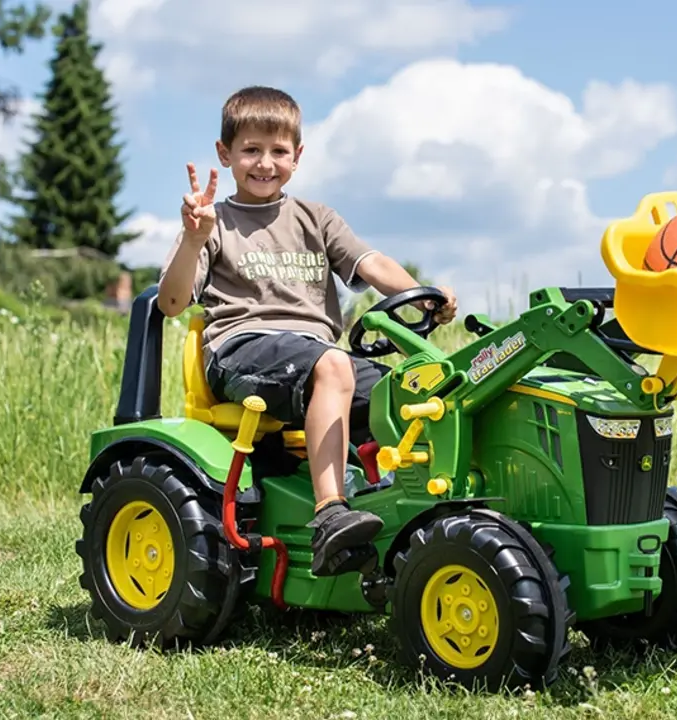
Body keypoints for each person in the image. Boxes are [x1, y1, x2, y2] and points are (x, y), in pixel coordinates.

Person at [157, 85, 458, 576]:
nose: (264, 163)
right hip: (243, 350)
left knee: (412, 391)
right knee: (333, 364)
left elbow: (371, 261)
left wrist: (422, 293)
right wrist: (193, 239)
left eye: (278, 151)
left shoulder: (316, 218)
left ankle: (420, 521)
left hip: (314, 356)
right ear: (225, 153)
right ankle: (330, 516)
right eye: (251, 150)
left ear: (297, 157)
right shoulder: (214, 223)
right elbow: (171, 303)